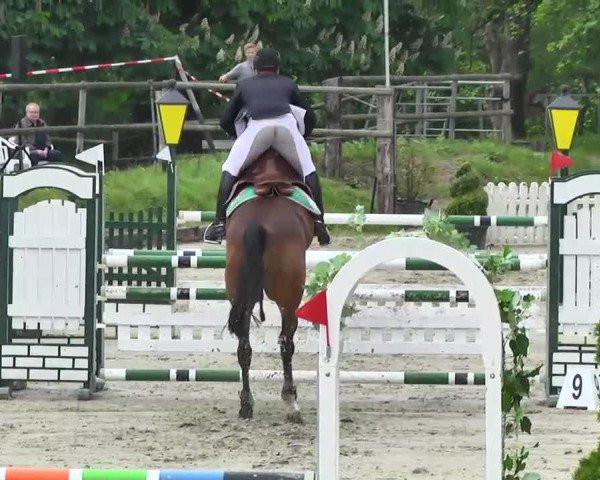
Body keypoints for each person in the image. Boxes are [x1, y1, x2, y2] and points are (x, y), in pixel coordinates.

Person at [204, 47, 331, 246]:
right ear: (278, 67)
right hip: (286, 127)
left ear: (254, 67)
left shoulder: (245, 85)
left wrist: (238, 135)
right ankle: (320, 223)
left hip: (258, 128)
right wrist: (301, 136)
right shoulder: (288, 84)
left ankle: (219, 224)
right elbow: (310, 116)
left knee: (229, 168)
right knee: (308, 170)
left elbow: (226, 119)